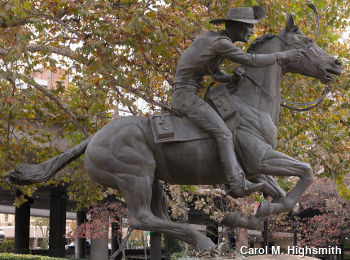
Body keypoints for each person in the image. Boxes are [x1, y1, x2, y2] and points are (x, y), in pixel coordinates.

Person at [171, 6, 306, 198]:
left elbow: (214, 72)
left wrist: (229, 78)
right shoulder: (220, 43)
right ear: (235, 26)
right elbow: (248, 59)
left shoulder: (213, 39)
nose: (252, 30)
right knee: (224, 134)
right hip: (185, 97)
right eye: (249, 26)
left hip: (187, 93)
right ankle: (236, 183)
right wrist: (281, 56)